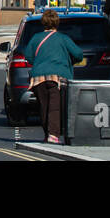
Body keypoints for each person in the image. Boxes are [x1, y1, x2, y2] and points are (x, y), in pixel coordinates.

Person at [21, 9, 85, 144]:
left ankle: (47, 134)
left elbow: (28, 55)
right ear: (57, 23)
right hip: (57, 77)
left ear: (43, 23)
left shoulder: (36, 38)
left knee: (43, 107)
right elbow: (78, 54)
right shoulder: (63, 38)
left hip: (38, 77)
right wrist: (69, 61)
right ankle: (53, 135)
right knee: (55, 106)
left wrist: (39, 63)